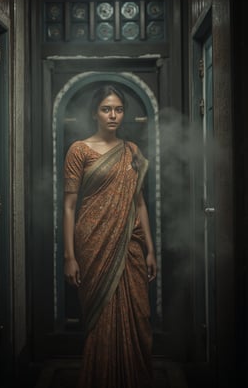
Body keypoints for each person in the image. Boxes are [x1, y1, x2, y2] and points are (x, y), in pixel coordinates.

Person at [63, 84, 157, 388]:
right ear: (95, 112)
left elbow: (139, 202)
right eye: (106, 109)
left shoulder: (132, 151)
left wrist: (151, 250)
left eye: (118, 109)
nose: (113, 115)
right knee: (101, 318)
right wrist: (69, 256)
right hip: (93, 244)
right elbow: (68, 206)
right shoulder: (79, 150)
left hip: (130, 246)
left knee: (138, 316)